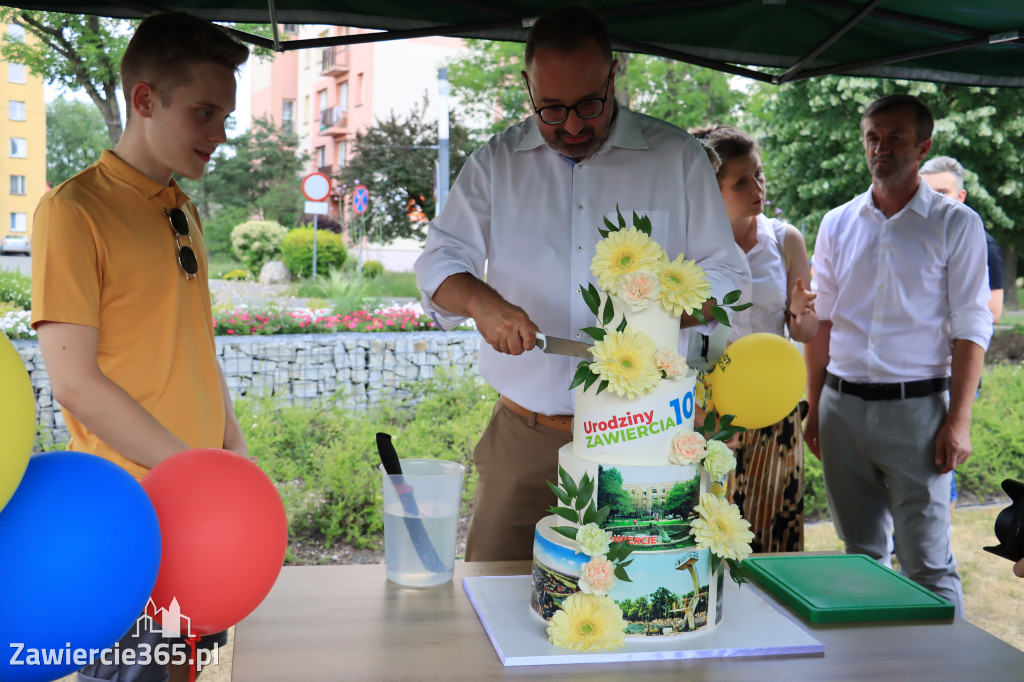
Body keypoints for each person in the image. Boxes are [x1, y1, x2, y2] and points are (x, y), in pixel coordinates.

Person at [414, 5, 748, 562]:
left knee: (637, 607)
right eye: (550, 109)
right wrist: (482, 302)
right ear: (527, 86)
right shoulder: (496, 163)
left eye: (589, 106)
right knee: (491, 601)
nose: (571, 126)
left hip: (641, 437)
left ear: (614, 75)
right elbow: (438, 262)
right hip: (527, 435)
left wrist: (655, 306)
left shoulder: (678, 159)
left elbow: (730, 277)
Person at [30, 12, 250, 682]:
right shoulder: (73, 212)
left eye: (226, 118)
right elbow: (75, 383)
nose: (219, 137)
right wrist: (197, 474)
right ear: (144, 99)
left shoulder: (182, 208)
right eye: (204, 113)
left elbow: (194, 344)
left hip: (196, 506)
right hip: (129, 515)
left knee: (191, 673)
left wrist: (233, 453)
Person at [803, 94, 992, 616]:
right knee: (859, 559)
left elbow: (972, 325)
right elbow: (823, 323)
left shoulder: (956, 224)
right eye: (872, 136)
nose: (880, 147)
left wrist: (959, 420)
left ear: (923, 145)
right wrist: (815, 406)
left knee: (927, 566)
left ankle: (942, 669)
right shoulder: (838, 222)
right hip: (842, 408)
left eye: (895, 137)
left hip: (918, 415)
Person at [692, 125, 818, 552]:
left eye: (759, 175)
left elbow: (806, 331)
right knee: (710, 526)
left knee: (772, 527)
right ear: (712, 190)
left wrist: (801, 313)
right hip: (708, 409)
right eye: (741, 182)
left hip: (772, 404)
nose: (757, 188)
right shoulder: (690, 248)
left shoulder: (785, 239)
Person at [920, 155, 1004, 515]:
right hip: (920, 371)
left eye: (943, 191)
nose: (934, 199)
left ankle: (943, 518)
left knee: (941, 454)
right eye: (927, 192)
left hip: (955, 368)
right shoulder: (918, 236)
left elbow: (992, 311)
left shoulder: (982, 241)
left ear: (962, 195)